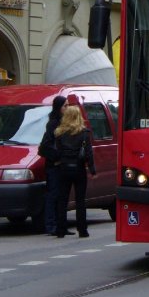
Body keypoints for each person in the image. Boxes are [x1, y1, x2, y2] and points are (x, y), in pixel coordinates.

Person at [54, 105, 96, 238]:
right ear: (79, 117)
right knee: (80, 201)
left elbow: (57, 152)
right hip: (79, 168)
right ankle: (82, 230)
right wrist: (92, 170)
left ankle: (60, 229)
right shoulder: (84, 133)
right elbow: (89, 153)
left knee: (62, 200)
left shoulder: (59, 133)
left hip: (64, 168)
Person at [38, 96, 67, 235]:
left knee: (62, 195)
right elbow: (45, 146)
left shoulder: (64, 122)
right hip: (54, 165)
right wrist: (58, 157)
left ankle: (61, 224)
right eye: (65, 106)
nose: (67, 109)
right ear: (58, 107)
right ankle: (51, 224)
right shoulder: (53, 123)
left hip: (61, 165)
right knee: (53, 195)